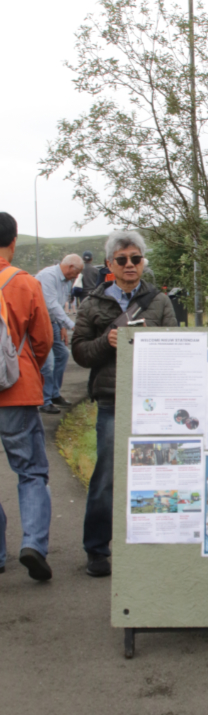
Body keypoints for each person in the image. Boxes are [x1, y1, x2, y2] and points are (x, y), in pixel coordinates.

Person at [72, 231, 177, 577]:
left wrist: (156, 341)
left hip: (156, 404)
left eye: (136, 258)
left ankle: (153, 547)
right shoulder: (92, 303)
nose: (130, 264)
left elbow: (178, 347)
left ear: (143, 262)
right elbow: (80, 353)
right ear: (109, 264)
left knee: (159, 474)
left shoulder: (159, 301)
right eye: (122, 259)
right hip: (113, 402)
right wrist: (108, 340)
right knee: (107, 477)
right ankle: (96, 549)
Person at [0, 212, 54, 581]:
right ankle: (33, 543)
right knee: (31, 472)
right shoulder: (24, 283)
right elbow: (44, 340)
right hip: (16, 393)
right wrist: (25, 365)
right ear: (14, 240)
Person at [36, 254, 84, 413]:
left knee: (62, 354)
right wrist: (71, 325)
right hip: (39, 323)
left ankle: (54, 393)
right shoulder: (48, 276)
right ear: (70, 267)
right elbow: (51, 305)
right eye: (77, 273)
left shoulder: (66, 280)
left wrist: (62, 326)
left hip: (53, 323)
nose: (77, 277)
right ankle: (44, 400)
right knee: (47, 362)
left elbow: (61, 305)